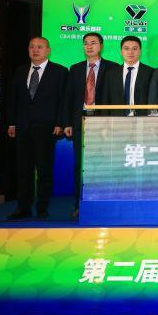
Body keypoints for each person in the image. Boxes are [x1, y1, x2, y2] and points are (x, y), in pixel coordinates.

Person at [5, 37, 67, 220]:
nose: (35, 50)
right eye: (32, 47)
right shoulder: (20, 70)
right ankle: (23, 207)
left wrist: (60, 123)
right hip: (23, 126)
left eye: (40, 47)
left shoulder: (60, 71)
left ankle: (42, 207)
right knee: (23, 170)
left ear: (48, 50)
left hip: (47, 127)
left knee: (44, 170)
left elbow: (63, 100)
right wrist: (12, 123)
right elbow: (14, 99)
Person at [61, 32, 119, 218]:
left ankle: (104, 203)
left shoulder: (113, 68)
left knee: (105, 163)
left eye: (93, 43)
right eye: (86, 43)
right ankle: (80, 204)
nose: (89, 46)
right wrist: (67, 122)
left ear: (101, 46)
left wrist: (111, 122)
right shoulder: (75, 68)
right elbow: (68, 98)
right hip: (81, 122)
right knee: (81, 165)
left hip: (103, 122)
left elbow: (115, 98)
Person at [100, 36, 153, 116]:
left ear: (140, 51)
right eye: (126, 48)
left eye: (134, 49)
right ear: (121, 52)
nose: (130, 52)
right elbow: (105, 100)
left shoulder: (150, 72)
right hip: (117, 118)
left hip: (142, 118)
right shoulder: (111, 74)